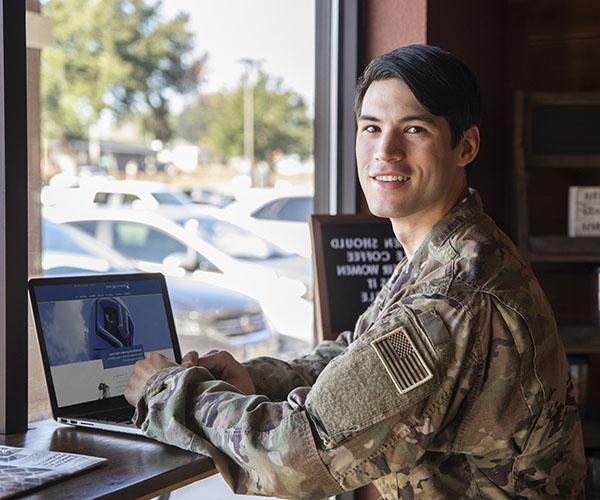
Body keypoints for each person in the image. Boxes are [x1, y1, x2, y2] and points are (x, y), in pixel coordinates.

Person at [125, 45, 586, 498]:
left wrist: (168, 390)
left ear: (465, 146)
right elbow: (362, 357)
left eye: (415, 129)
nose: (385, 150)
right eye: (371, 127)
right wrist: (256, 380)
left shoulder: (454, 298)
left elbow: (294, 459)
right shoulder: (452, 248)